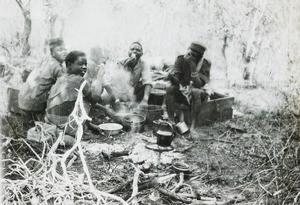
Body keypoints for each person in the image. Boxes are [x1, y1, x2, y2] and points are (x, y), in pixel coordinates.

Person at [45, 50, 103, 136]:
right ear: (69, 65)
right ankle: (76, 130)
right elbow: (95, 98)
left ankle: (86, 125)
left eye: (85, 64)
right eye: (80, 64)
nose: (84, 67)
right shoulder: (78, 80)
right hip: (64, 126)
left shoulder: (62, 78)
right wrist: (100, 77)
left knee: (82, 98)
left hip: (50, 121)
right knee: (87, 101)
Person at [18, 38, 67, 129]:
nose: (64, 52)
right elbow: (66, 87)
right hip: (34, 105)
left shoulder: (45, 61)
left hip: (23, 101)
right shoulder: (57, 67)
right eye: (60, 50)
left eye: (65, 49)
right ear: (52, 53)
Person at [165, 42, 211, 133]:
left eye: (194, 55)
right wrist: (172, 77)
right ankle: (171, 121)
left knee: (195, 91)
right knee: (170, 88)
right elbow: (177, 80)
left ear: (200, 56)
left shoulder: (204, 63)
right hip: (183, 91)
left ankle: (193, 126)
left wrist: (192, 66)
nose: (190, 56)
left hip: (198, 94)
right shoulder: (181, 59)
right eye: (189, 52)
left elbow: (198, 84)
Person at [118, 42, 152, 106]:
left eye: (138, 50)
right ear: (128, 52)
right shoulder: (120, 61)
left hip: (133, 91)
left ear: (141, 54)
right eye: (132, 49)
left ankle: (137, 104)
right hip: (120, 91)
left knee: (144, 85)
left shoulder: (143, 63)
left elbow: (148, 81)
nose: (134, 51)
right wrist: (126, 65)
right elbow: (116, 79)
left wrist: (145, 100)